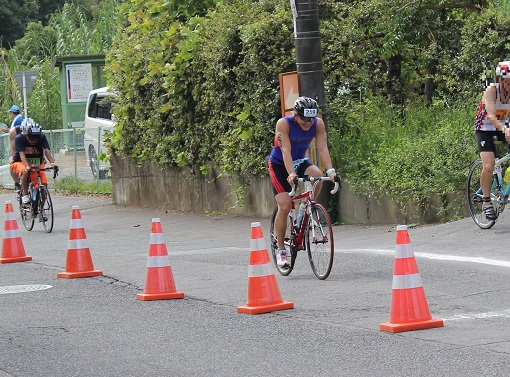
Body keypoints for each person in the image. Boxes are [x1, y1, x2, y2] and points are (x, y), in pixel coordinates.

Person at [268, 96, 337, 267]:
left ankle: (306, 209)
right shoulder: (283, 124)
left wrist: (331, 171)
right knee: (284, 206)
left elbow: (322, 148)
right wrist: (291, 173)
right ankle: (281, 250)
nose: (308, 123)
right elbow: (285, 149)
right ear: (296, 115)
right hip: (279, 164)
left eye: (311, 119)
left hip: (299, 160)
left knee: (316, 173)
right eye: (304, 119)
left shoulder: (317, 124)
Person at [474, 60, 510, 220]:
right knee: (489, 166)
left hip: (504, 125)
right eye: (507, 80)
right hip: (485, 129)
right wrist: (504, 129)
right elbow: (491, 115)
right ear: (500, 80)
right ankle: (487, 202)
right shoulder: (491, 91)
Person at [10, 118, 58, 209]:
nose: (33, 140)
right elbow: (22, 155)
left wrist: (52, 163)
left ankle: (41, 208)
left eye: (35, 137)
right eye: (31, 138)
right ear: (25, 135)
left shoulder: (42, 137)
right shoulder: (19, 138)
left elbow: (47, 151)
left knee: (44, 185)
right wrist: (27, 166)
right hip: (21, 161)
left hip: (36, 162)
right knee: (25, 171)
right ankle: (25, 195)